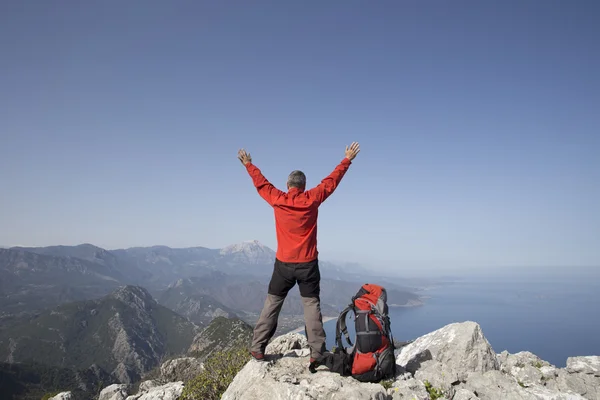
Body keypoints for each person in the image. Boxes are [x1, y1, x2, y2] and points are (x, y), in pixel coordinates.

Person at [237, 142, 360, 369]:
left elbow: (261, 183)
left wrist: (248, 164)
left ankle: (257, 347)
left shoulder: (278, 199)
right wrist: (346, 160)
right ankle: (316, 353)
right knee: (312, 307)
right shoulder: (312, 199)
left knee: (272, 304)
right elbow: (331, 182)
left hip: (283, 264)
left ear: (288, 185)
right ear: (304, 186)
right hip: (308, 265)